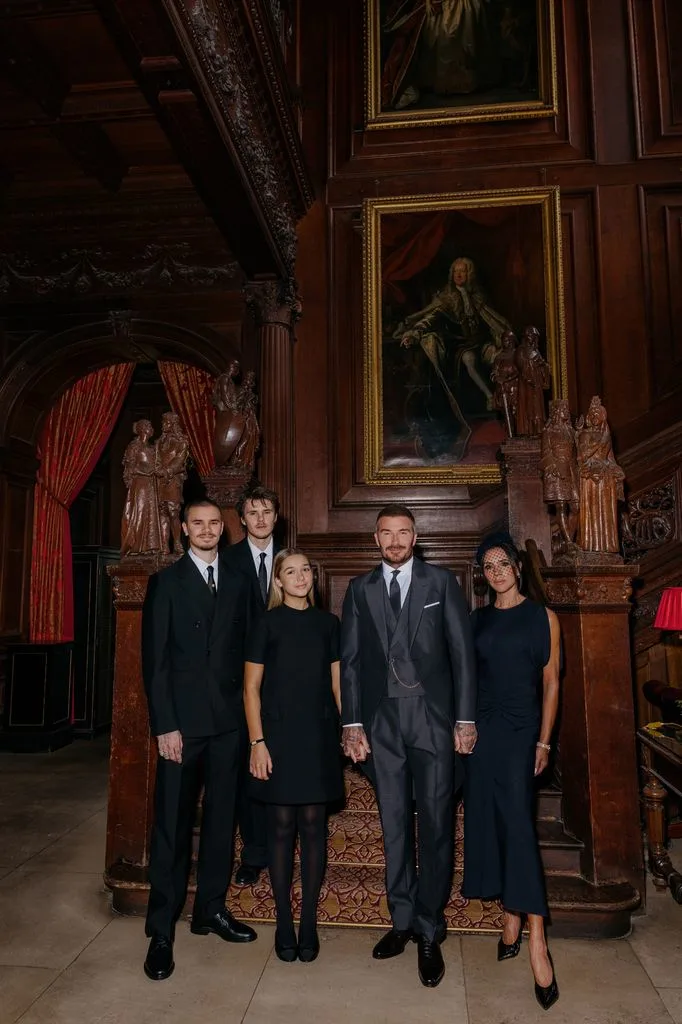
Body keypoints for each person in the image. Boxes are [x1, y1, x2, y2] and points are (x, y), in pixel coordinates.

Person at [340, 503, 476, 988]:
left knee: (437, 824)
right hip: (382, 722)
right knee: (393, 823)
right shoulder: (359, 589)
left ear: (415, 537)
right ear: (375, 539)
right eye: (386, 533)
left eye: (403, 532)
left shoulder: (441, 583)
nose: (395, 541)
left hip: (432, 720)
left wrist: (465, 719)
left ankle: (428, 926)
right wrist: (352, 723)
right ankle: (401, 920)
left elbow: (462, 653)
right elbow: (350, 661)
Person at [141, 498, 257, 982]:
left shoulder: (239, 580)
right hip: (182, 727)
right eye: (198, 523)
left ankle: (210, 909)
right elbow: (155, 663)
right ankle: (161, 929)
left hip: (229, 723)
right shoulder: (166, 583)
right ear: (184, 529)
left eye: (214, 523)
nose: (207, 530)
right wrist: (165, 725)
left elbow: (250, 652)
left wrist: (253, 725)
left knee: (221, 822)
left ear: (222, 530)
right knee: (171, 825)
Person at [462, 531, 560, 1012]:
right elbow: (464, 679)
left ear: (518, 567)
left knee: (519, 827)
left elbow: (551, 683)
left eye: (503, 563)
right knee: (492, 823)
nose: (497, 572)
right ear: (482, 575)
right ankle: (511, 915)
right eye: (489, 566)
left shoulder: (543, 617)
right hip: (483, 734)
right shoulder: (475, 620)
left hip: (522, 732)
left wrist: (544, 740)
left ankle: (537, 935)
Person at [244, 549, 343, 962]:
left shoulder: (329, 624)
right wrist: (257, 742)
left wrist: (349, 730)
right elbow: (250, 689)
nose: (300, 577)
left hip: (318, 735)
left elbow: (338, 684)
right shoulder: (265, 623)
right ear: (278, 581)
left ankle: (309, 923)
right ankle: (283, 921)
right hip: (278, 737)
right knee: (282, 826)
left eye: (305, 570)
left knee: (314, 825)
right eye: (291, 571)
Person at [222, 484, 281, 886]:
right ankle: (254, 854)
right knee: (249, 770)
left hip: (284, 683)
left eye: (267, 512)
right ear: (242, 519)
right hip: (240, 684)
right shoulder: (226, 561)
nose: (260, 519)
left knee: (282, 767)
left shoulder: (292, 561)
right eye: (253, 513)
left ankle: (282, 847)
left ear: (277, 517)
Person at [121, 419, 163, 555]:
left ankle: (150, 546)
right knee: (140, 511)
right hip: (140, 484)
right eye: (149, 426)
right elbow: (130, 468)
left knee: (152, 513)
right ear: (142, 429)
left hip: (152, 483)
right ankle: (136, 546)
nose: (151, 428)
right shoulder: (134, 446)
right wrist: (145, 472)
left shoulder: (152, 448)